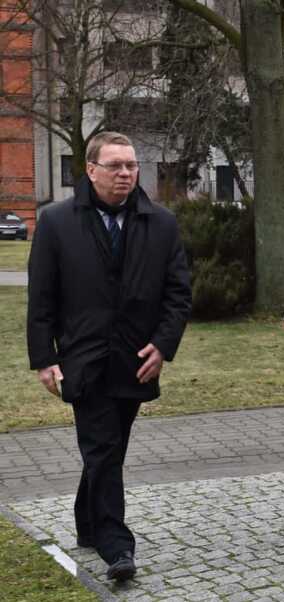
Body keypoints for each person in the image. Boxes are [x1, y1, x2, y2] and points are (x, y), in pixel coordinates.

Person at [27, 131, 192, 582]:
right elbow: (41, 297)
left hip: (137, 359)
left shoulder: (160, 223)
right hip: (83, 359)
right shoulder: (57, 221)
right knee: (101, 447)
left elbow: (179, 295)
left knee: (110, 448)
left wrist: (164, 345)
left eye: (131, 166)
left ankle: (86, 521)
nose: (125, 173)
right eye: (115, 165)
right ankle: (116, 545)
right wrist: (44, 358)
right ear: (91, 170)